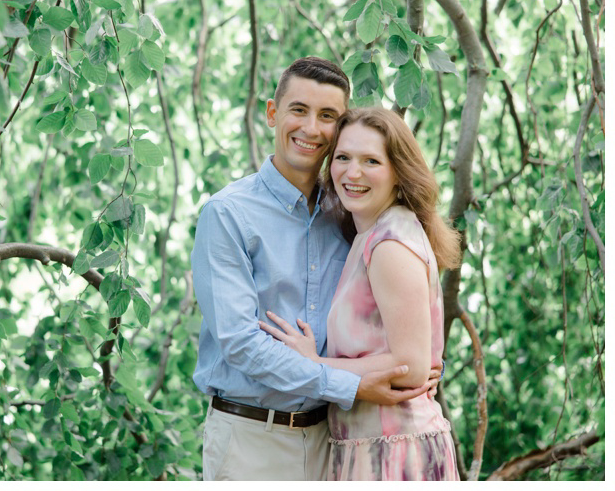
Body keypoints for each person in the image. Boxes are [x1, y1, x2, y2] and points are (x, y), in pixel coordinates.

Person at [191, 58, 441, 481]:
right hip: (253, 437)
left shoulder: (350, 210)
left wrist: (411, 360)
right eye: (298, 110)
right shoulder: (228, 214)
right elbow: (240, 343)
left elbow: (389, 313)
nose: (311, 128)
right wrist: (355, 384)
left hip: (335, 442)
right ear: (273, 113)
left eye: (327, 116)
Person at [260, 107, 462, 480]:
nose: (353, 173)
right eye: (343, 158)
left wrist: (312, 363)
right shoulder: (367, 233)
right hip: (369, 446)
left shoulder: (389, 244)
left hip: (397, 451)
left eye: (371, 160)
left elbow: (412, 368)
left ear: (398, 172)